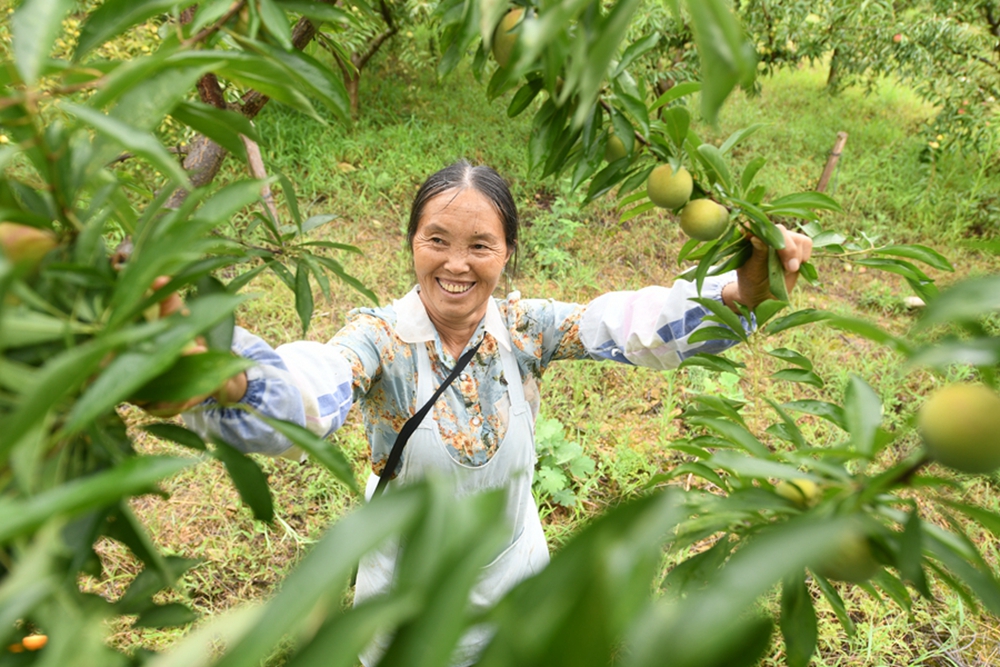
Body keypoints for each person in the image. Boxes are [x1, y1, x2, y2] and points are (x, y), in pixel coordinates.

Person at [171, 160, 813, 666]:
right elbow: (323, 381)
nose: (456, 263)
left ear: (507, 253)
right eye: (437, 240)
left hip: (512, 569)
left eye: (481, 244)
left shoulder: (524, 328)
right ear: (412, 245)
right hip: (407, 592)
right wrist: (234, 379)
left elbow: (620, 324)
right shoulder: (382, 340)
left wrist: (739, 291)